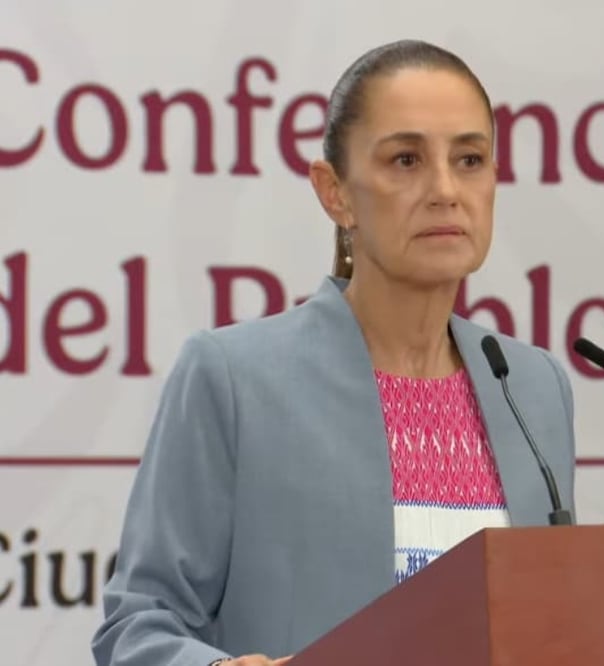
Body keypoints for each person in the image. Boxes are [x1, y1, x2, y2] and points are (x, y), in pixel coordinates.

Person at [90, 39, 577, 666]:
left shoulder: (534, 387)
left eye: (470, 159)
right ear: (334, 192)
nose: (445, 189)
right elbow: (137, 625)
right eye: (405, 159)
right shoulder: (234, 378)